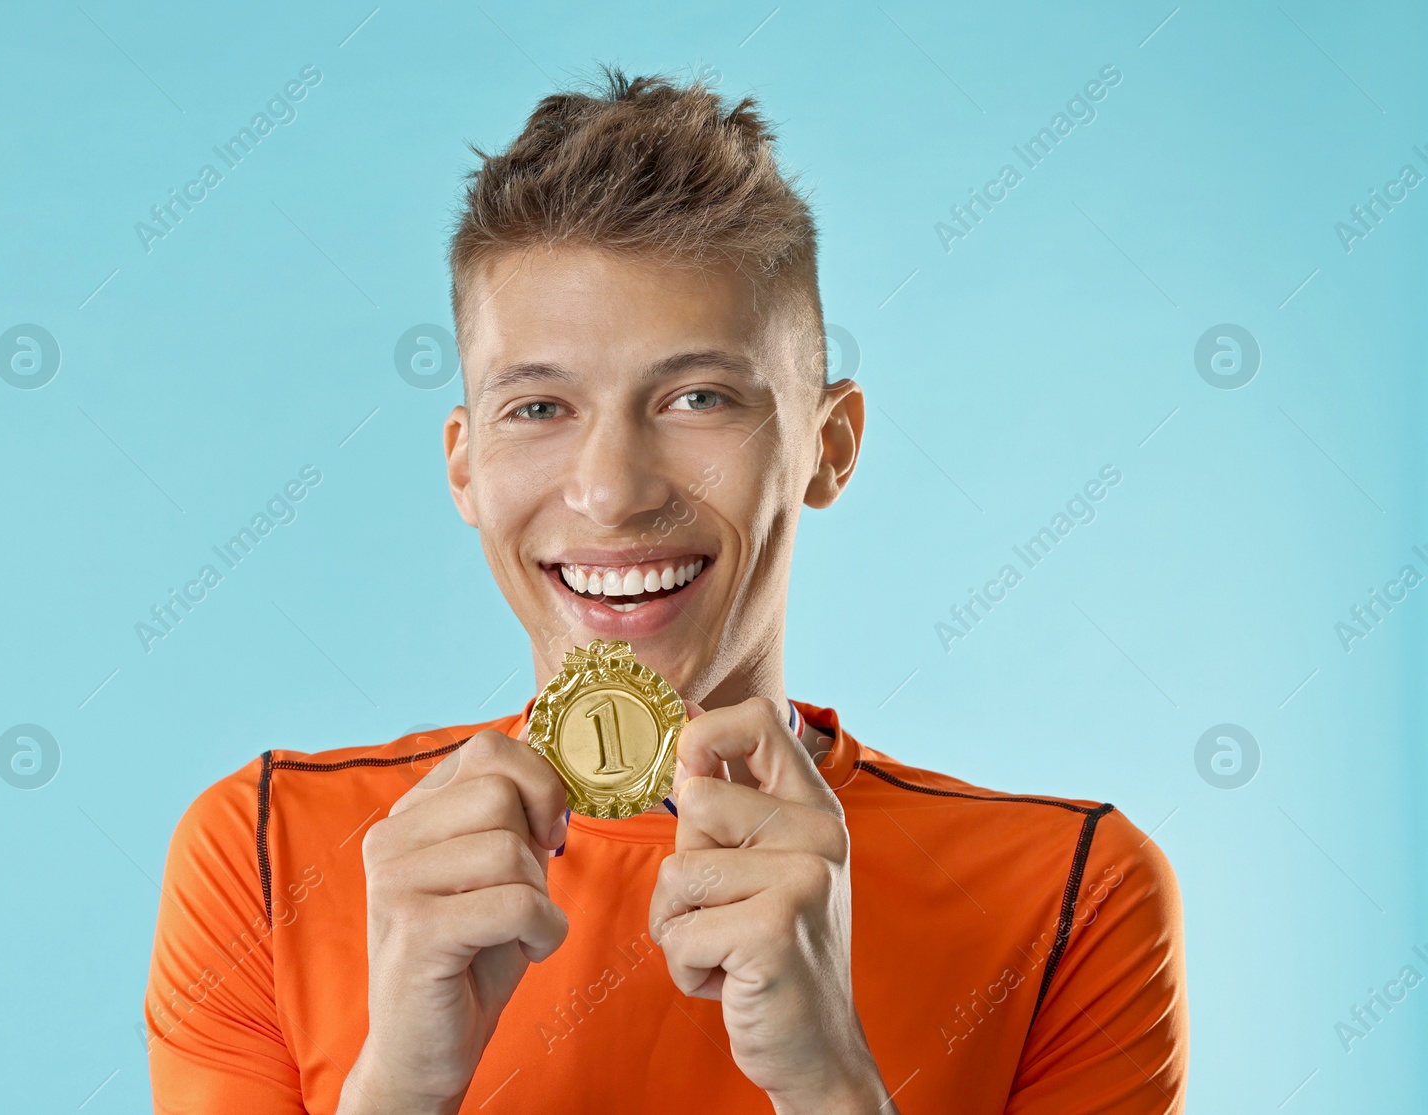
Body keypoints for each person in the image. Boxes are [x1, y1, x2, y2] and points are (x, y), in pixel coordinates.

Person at [145, 67, 1187, 1114]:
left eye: (698, 397)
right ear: (464, 465)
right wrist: (401, 1086)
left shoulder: (1071, 894)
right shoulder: (268, 852)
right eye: (539, 406)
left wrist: (829, 1083)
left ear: (828, 446)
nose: (610, 491)